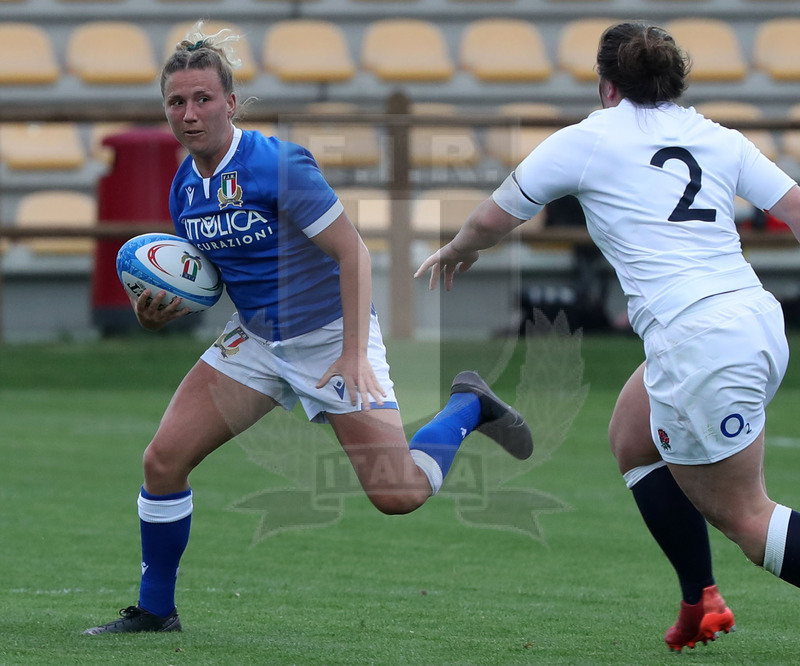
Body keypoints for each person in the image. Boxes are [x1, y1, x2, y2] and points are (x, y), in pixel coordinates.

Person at [82, 21, 532, 635]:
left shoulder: (277, 164)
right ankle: (156, 611)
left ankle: (467, 405)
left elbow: (354, 254)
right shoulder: (185, 189)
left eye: (202, 99)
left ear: (230, 103)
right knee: (162, 461)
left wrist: (352, 355)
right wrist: (151, 313)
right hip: (255, 340)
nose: (189, 114)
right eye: (176, 102)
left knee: (397, 495)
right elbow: (214, 281)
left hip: (329, 335)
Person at [415, 20, 800, 652]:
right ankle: (700, 599)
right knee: (631, 435)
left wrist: (459, 249)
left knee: (749, 520)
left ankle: (707, 592)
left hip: (697, 341)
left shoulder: (588, 139)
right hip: (753, 318)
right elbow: (795, 208)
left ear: (606, 85)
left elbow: (491, 218)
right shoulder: (717, 136)